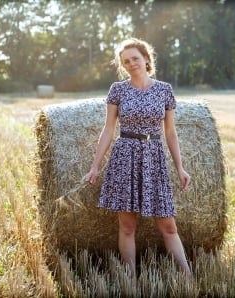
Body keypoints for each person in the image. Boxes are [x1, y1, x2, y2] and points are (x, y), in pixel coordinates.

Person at [87, 38, 192, 277]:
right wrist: (95, 167)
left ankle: (188, 278)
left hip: (154, 158)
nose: (131, 63)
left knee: (168, 226)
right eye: (126, 61)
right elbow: (108, 129)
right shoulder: (118, 89)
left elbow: (170, 133)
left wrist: (180, 168)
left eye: (135, 58)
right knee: (127, 226)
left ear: (146, 58)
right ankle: (130, 281)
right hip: (124, 157)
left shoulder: (165, 89)